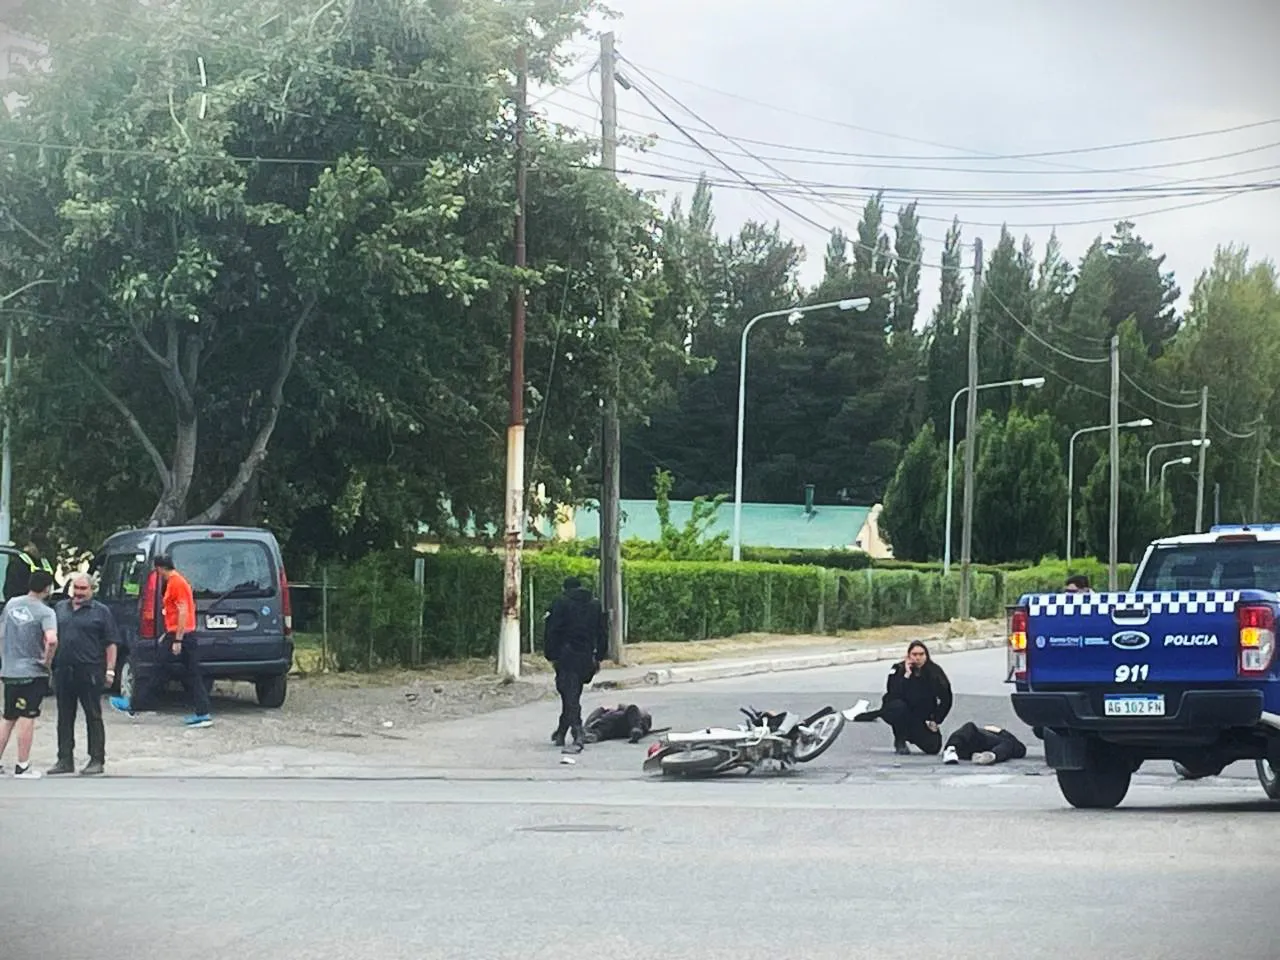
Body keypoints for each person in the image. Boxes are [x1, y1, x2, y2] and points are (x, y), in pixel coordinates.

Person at [110, 554, 212, 728]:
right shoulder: (178, 581)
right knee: (190, 674)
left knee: (157, 670)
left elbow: (182, 611)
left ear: (159, 568)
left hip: (181, 635)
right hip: (181, 633)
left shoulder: (175, 583)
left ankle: (135, 705)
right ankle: (203, 712)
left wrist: (177, 639)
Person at [49, 572, 119, 776]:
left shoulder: (101, 612)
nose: (78, 593)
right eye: (76, 588)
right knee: (64, 716)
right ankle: (64, 759)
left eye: (83, 589)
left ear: (91, 590)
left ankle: (96, 759)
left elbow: (111, 642)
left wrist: (110, 670)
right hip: (63, 669)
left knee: (93, 715)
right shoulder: (60, 608)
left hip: (89, 670)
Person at [0, 569, 59, 778]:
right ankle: (22, 765)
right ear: (47, 588)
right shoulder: (45, 612)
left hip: (9, 669)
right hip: (32, 671)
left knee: (8, 717)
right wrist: (47, 660)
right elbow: (51, 639)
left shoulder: (11, 604)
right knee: (27, 716)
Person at [854, 640, 953, 756]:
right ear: (908, 655)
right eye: (914, 654)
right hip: (900, 710)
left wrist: (936, 720)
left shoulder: (934, 671)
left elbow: (946, 698)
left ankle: (911, 734)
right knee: (897, 708)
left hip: (921, 716)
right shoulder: (898, 669)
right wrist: (906, 675)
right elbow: (893, 693)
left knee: (933, 747)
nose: (918, 658)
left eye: (921, 654)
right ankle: (900, 739)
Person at [543, 577, 607, 753]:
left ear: (565, 588)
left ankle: (577, 732)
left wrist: (551, 655)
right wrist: (600, 656)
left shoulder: (560, 603)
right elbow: (602, 632)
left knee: (568, 692)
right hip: (587, 655)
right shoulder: (595, 604)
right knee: (572, 692)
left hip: (566, 654)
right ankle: (562, 731)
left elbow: (552, 631)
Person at [941, 722, 1027, 766]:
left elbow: (1021, 749)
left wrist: (1001, 731)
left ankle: (990, 756)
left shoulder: (1008, 740)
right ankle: (951, 750)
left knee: (1007, 744)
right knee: (969, 727)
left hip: (986, 746)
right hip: (973, 744)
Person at [583, 703, 655, 744]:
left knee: (604, 728)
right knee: (605, 729)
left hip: (625, 725)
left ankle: (594, 734)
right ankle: (594, 735)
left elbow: (629, 707)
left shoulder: (633, 713)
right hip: (618, 729)